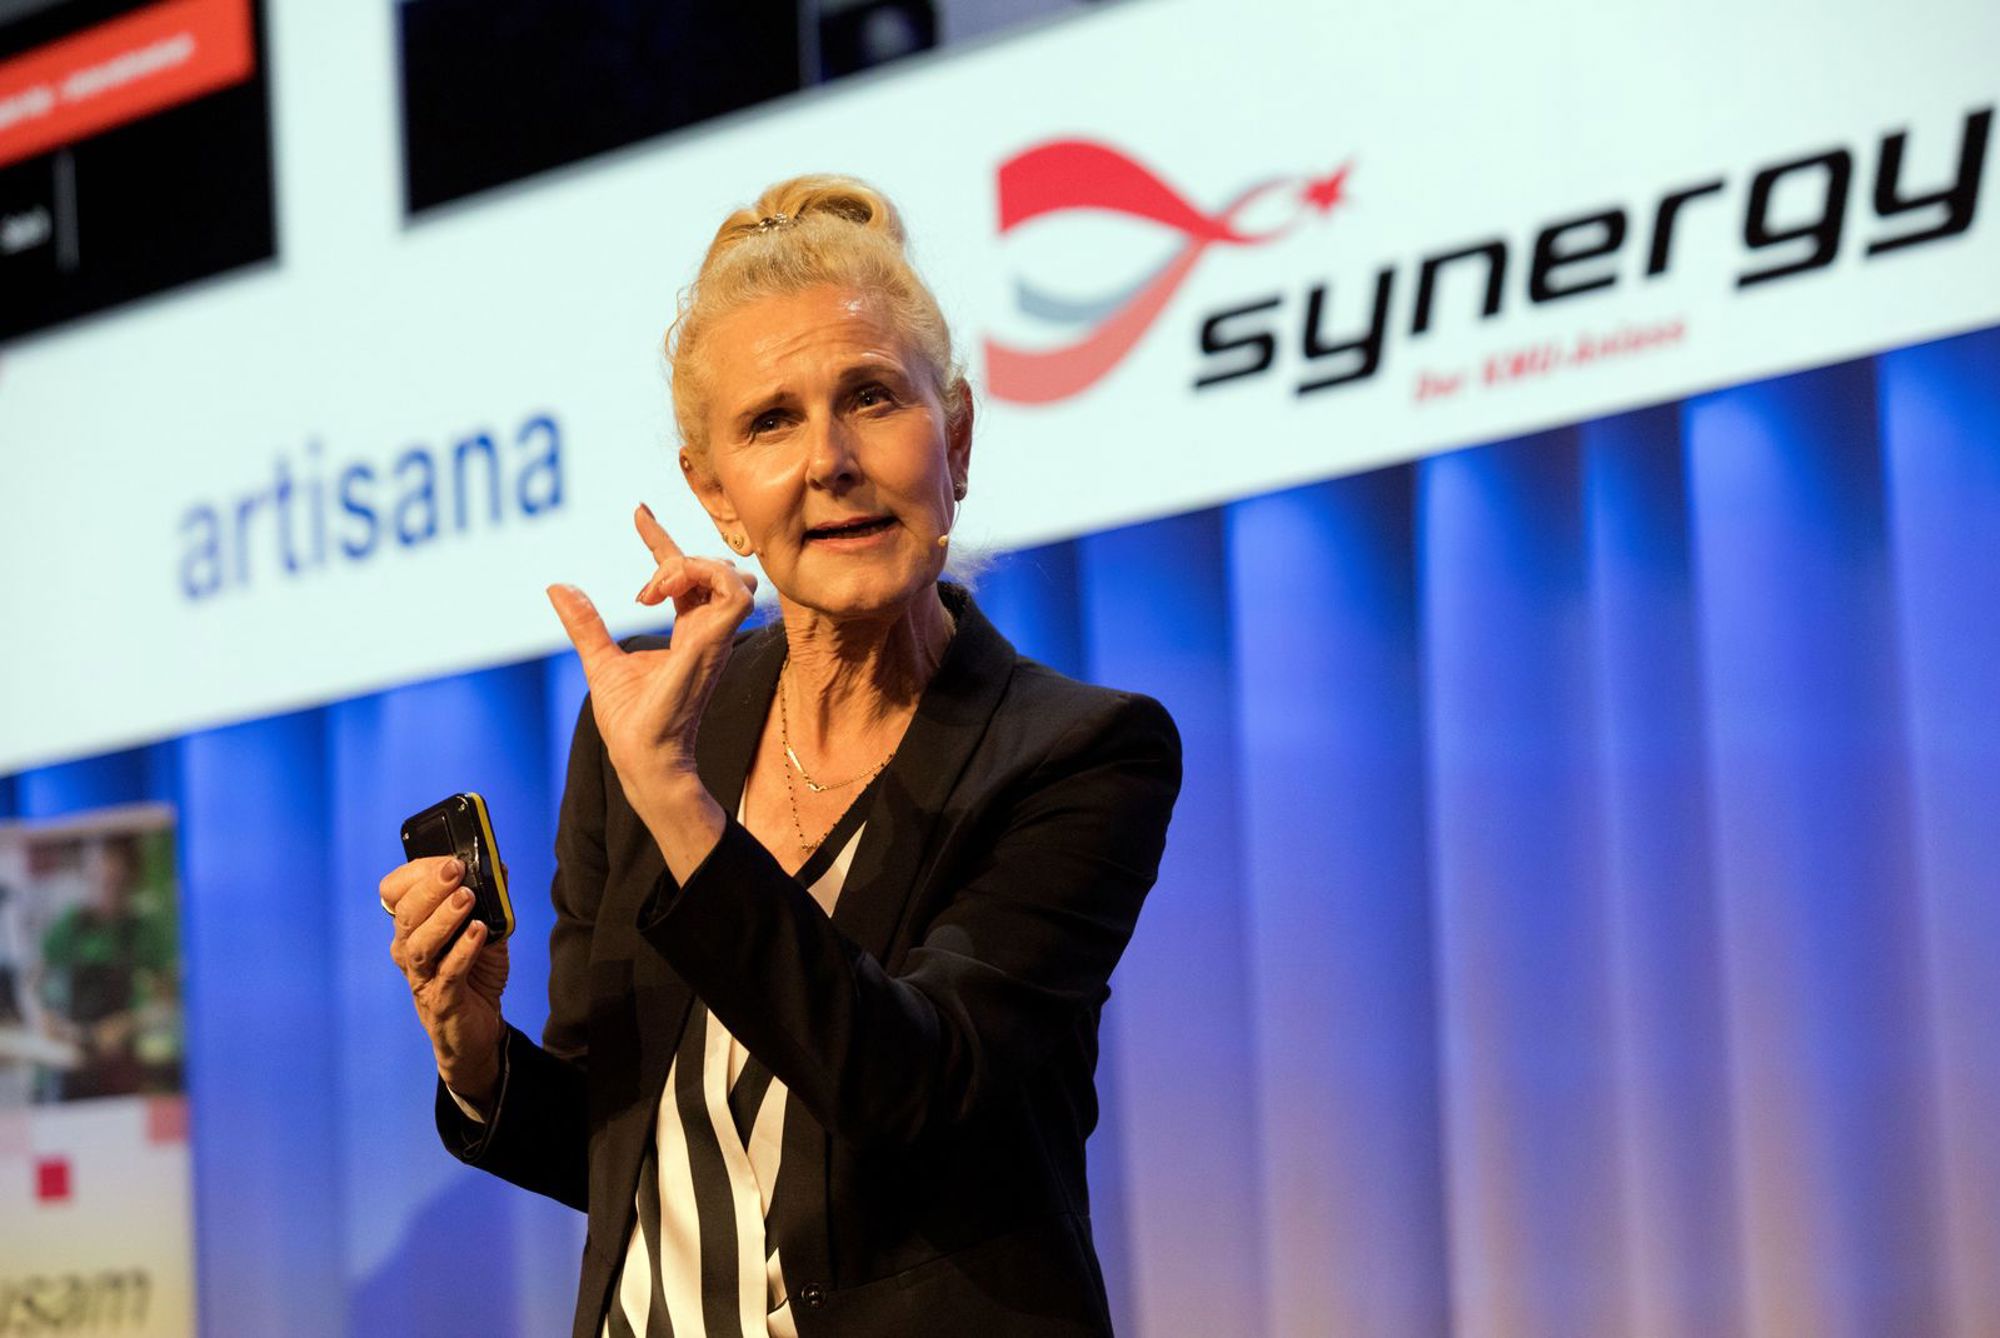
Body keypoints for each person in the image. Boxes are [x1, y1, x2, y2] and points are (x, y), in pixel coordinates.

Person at [377, 176, 1182, 1337]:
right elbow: (619, 1141)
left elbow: (912, 1085)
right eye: (770, 423)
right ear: (714, 494)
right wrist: (475, 1061)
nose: (829, 460)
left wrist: (678, 803)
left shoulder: (1076, 753)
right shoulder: (646, 730)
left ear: (954, 438)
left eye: (871, 398)